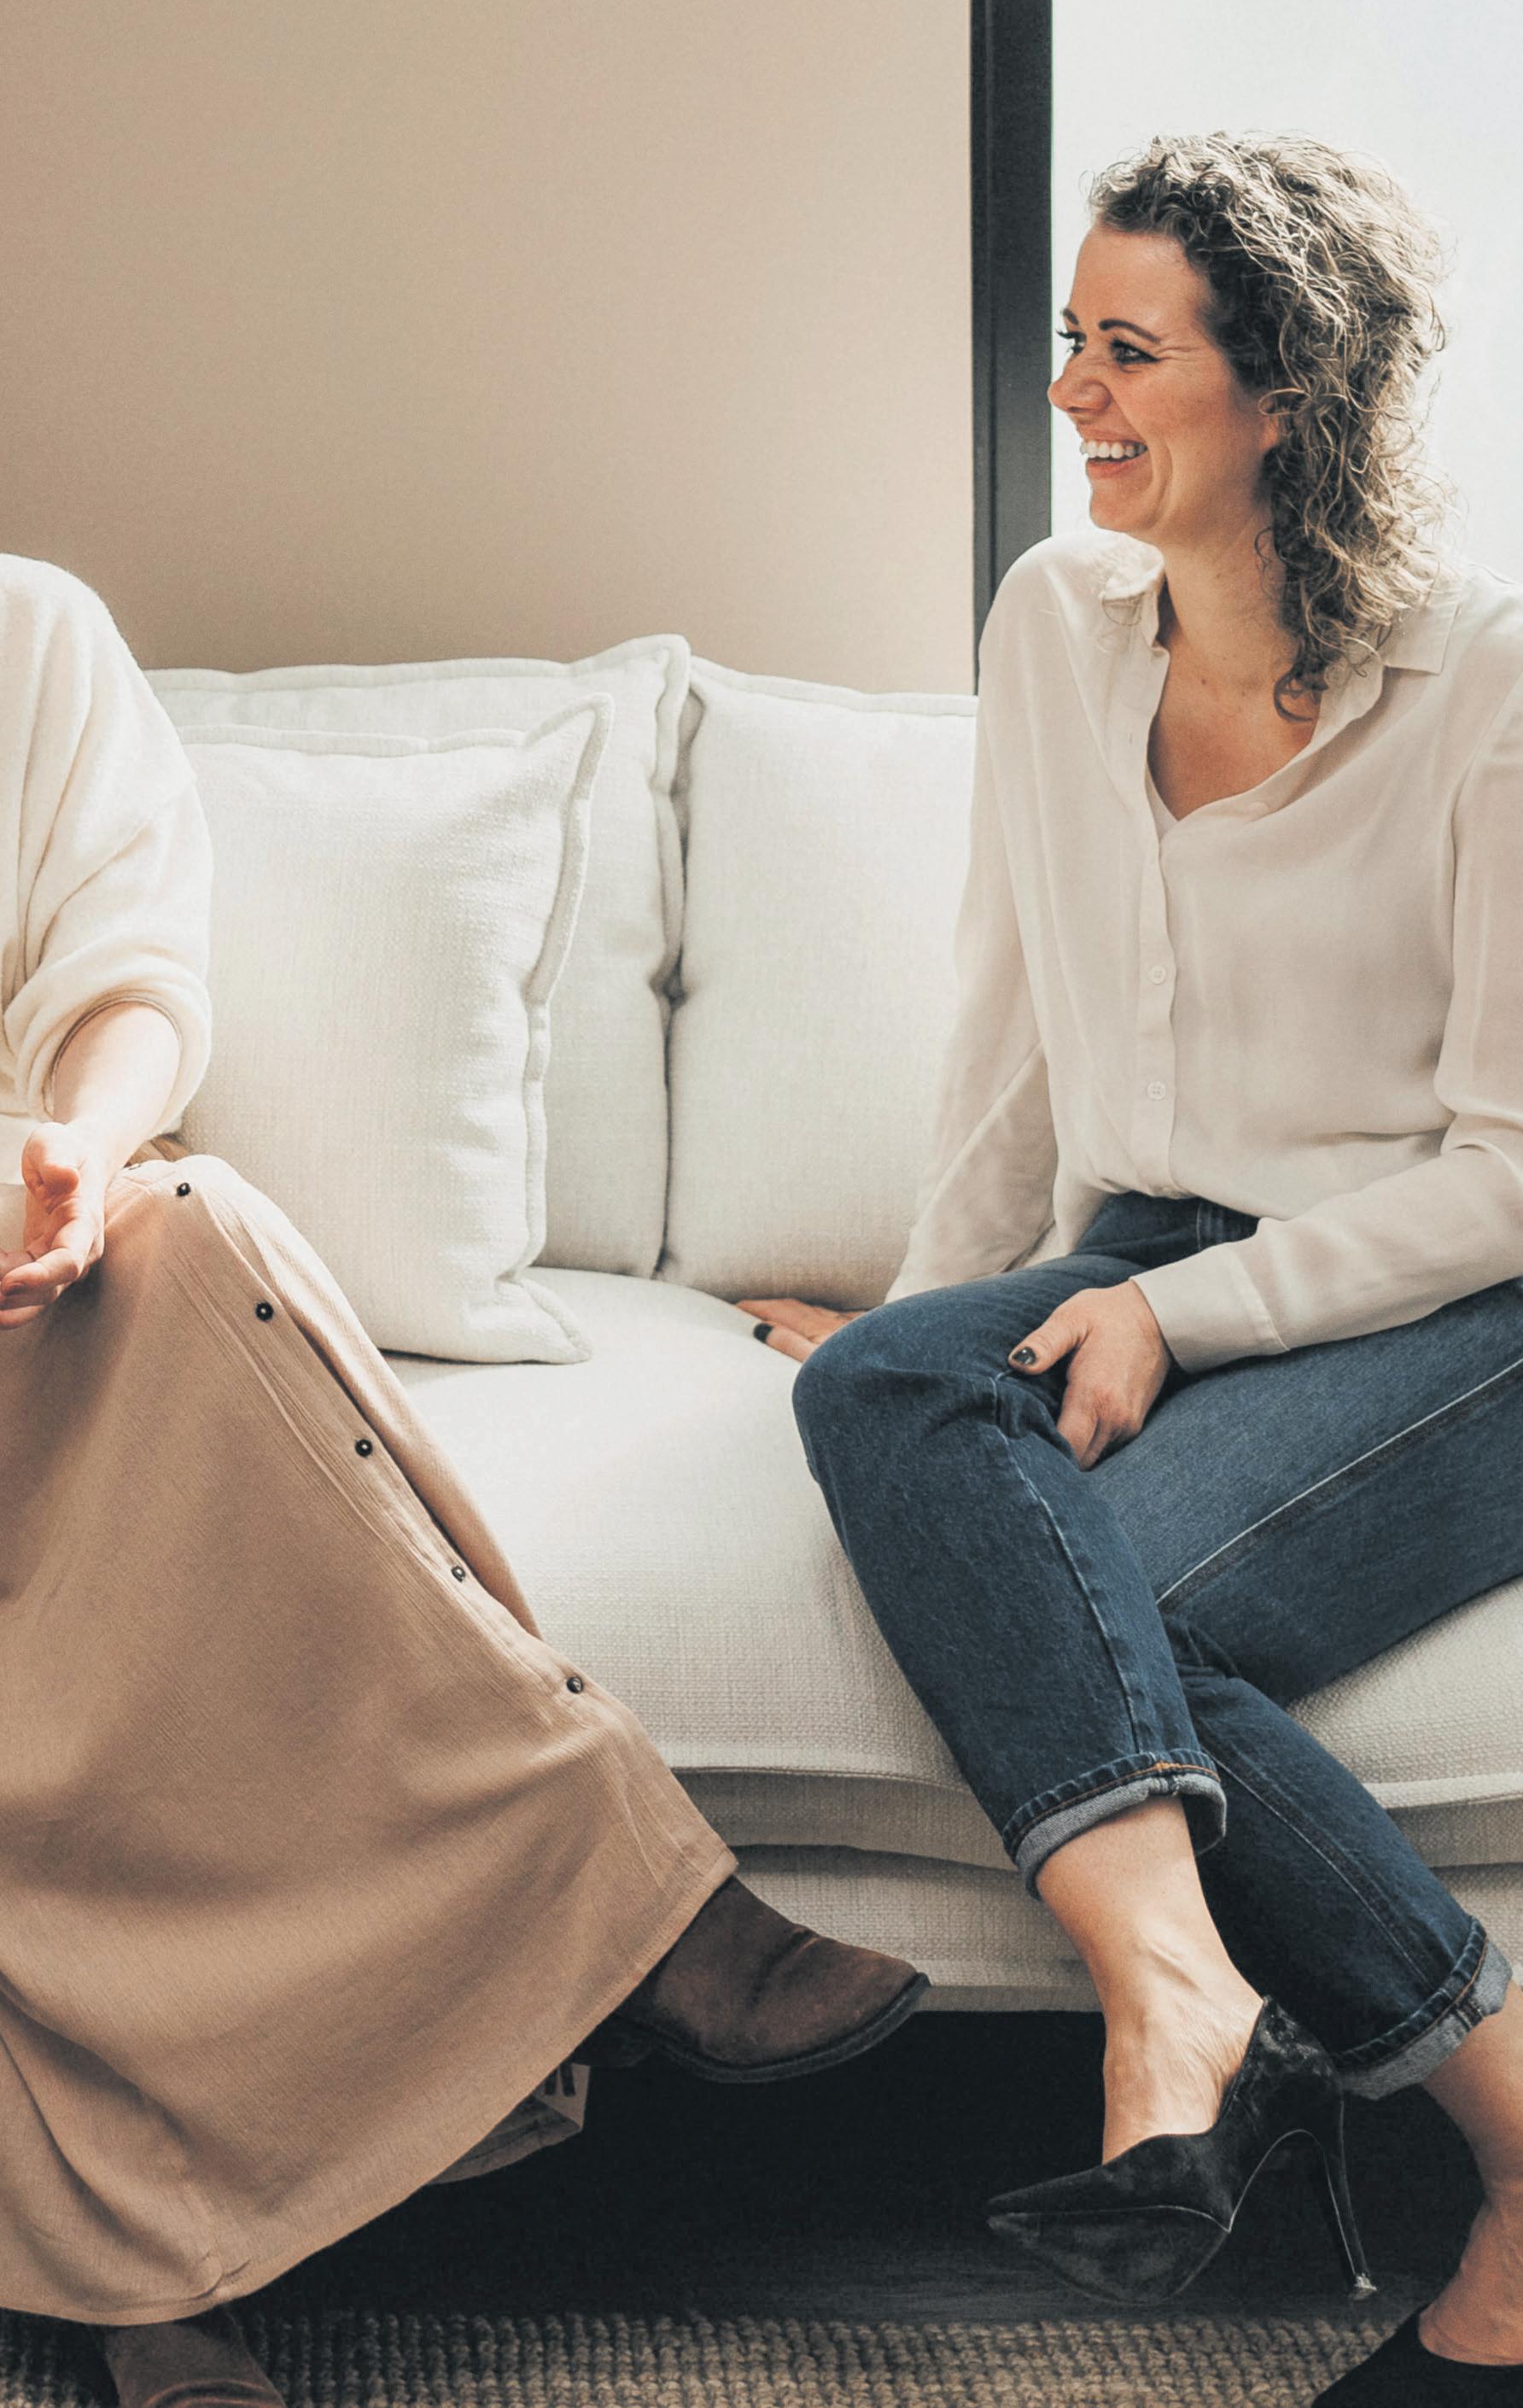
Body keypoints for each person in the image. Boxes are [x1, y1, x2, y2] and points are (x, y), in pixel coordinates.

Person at [744, 133, 1523, 2405]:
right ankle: (1211, 2000)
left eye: (1128, 348)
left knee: (1105, 1620)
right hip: (1164, 1248)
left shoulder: (1492, 679)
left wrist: (1177, 1314)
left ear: (1283, 391)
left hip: (1504, 1306)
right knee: (871, 1393)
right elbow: (1013, 1031)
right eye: (1069, 340)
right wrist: (940, 1307)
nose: (1072, 388)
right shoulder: (1052, 627)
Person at [0, 557, 925, 2408]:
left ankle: (599, 1897)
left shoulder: (30, 634)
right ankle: (154, 2263)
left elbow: (130, 979)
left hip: (30, 1313)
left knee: (198, 1225)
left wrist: (78, 1155)